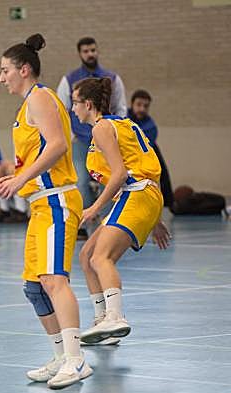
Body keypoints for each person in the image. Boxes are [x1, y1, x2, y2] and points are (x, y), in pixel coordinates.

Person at [0, 33, 92, 389]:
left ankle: (76, 360)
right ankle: (60, 356)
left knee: (54, 281)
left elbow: (58, 145)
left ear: (24, 69)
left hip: (57, 200)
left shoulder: (39, 97)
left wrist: (21, 179)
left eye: (5, 70)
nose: (1, 78)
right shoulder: (27, 106)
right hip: (39, 203)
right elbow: (37, 154)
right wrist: (17, 175)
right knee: (34, 288)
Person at [71, 78, 171, 346]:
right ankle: (102, 322)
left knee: (100, 257)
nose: (72, 109)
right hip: (145, 195)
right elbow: (145, 166)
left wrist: (94, 207)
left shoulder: (102, 128)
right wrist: (155, 218)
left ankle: (114, 316)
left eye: (75, 102)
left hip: (137, 193)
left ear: (88, 104)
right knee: (87, 255)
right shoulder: (122, 124)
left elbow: (120, 174)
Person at [57, 37, 127, 239]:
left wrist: (116, 132)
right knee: (79, 181)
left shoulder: (112, 78)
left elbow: (121, 107)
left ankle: (107, 224)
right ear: (80, 54)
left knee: (110, 179)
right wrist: (71, 136)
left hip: (108, 138)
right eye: (86, 51)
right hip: (80, 140)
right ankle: (82, 222)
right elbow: (62, 111)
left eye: (93, 50)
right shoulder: (69, 80)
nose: (90, 54)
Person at [128, 89, 173, 208]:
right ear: (131, 104)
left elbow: (140, 152)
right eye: (139, 105)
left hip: (142, 155)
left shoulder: (151, 127)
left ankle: (166, 203)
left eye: (146, 106)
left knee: (161, 170)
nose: (142, 109)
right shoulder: (122, 117)